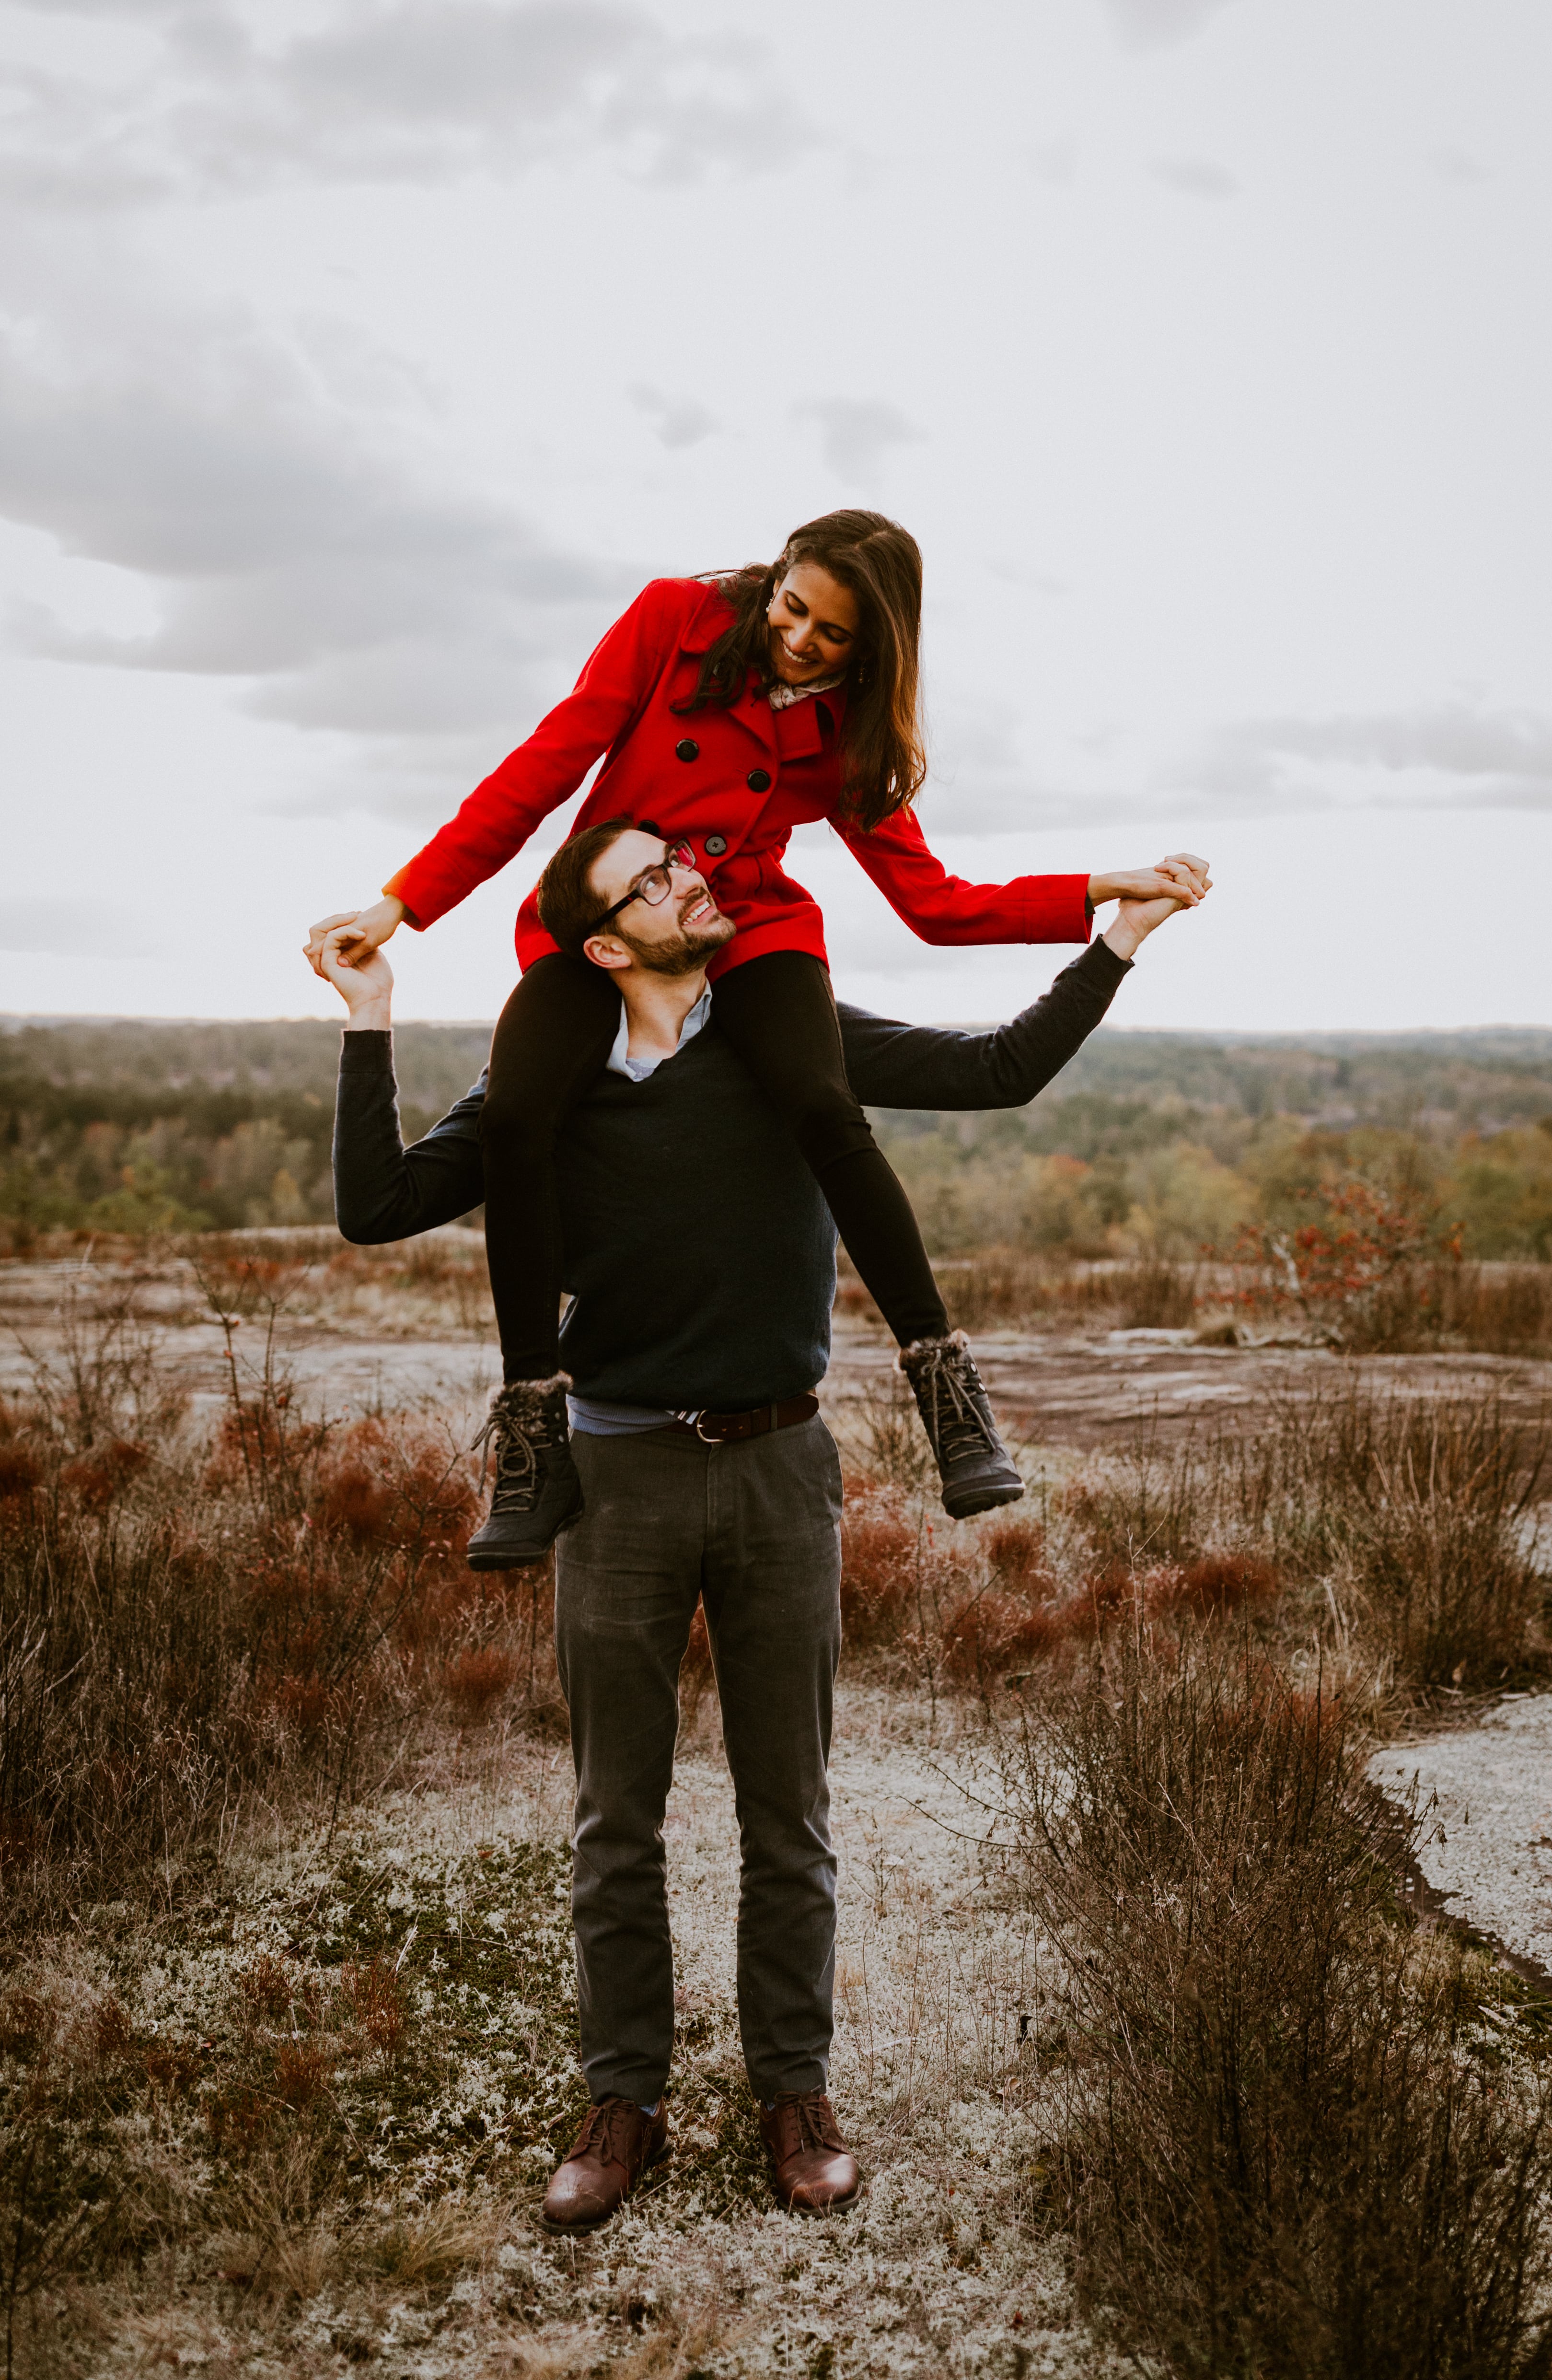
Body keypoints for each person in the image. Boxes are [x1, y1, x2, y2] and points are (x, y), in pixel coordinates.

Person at [311, 843, 1199, 2228]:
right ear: (600, 946)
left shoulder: (788, 1035)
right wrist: (368, 1018)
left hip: (782, 1467)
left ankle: (794, 2094)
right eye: (650, 880)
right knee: (617, 1818)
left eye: (677, 858)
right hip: (613, 1477)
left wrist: (1116, 941)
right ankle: (623, 2102)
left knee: (788, 1812)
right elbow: (373, 1209)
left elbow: (995, 1069)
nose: (690, 879)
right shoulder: (542, 1088)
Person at [306, 510, 1209, 1563]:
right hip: (611, 916)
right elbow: (542, 768)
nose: (799, 640)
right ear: (773, 578)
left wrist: (1104, 891)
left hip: (745, 926)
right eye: (793, 607)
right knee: (515, 1114)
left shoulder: (854, 731)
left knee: (824, 1103)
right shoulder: (672, 618)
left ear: (873, 647)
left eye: (831, 634)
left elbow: (937, 904)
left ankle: (945, 1388)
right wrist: (401, 903)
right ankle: (533, 1424)